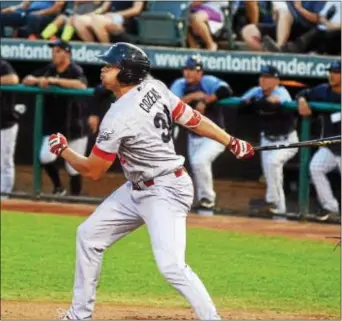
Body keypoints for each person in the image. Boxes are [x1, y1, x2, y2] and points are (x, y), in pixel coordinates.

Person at [47, 42, 255, 320]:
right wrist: (231, 141)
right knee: (88, 236)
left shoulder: (118, 117)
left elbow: (93, 170)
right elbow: (192, 118)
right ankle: (79, 315)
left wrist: (64, 150)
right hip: (137, 188)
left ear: (127, 73)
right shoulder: (155, 86)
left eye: (110, 66)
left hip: (165, 191)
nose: (103, 69)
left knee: (171, 266)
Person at [22, 40, 88, 196]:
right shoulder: (49, 69)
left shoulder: (75, 69)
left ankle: (75, 201)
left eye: (58, 51)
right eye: (53, 51)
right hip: (55, 126)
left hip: (74, 125)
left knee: (74, 167)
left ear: (67, 53)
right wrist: (38, 80)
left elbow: (81, 85)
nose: (54, 54)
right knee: (45, 157)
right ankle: (59, 188)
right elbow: (26, 79)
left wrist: (53, 81)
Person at [170, 56, 233, 213]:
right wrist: (192, 97)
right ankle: (202, 202)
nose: (189, 73)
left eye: (193, 69)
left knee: (199, 162)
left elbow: (226, 90)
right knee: (196, 167)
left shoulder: (208, 81)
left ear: (200, 71)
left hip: (215, 135)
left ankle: (207, 199)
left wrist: (205, 100)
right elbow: (170, 103)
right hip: (194, 137)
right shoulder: (180, 84)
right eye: (186, 69)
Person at [240, 65, 298, 215]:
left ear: (276, 80)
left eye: (267, 77)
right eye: (262, 76)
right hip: (266, 138)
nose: (263, 80)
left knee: (273, 164)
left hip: (287, 140)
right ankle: (279, 209)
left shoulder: (282, 91)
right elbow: (243, 103)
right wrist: (253, 102)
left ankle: (273, 202)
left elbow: (275, 102)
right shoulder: (257, 91)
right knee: (270, 172)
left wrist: (257, 103)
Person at [296, 60, 341, 221]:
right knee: (315, 167)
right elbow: (302, 93)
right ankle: (331, 207)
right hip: (331, 146)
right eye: (331, 72)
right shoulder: (323, 91)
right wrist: (302, 101)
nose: (332, 75)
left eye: (336, 72)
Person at [241, 1, 326, 51]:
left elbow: (318, 19)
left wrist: (301, 9)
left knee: (285, 13)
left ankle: (279, 47)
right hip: (284, 28)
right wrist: (276, 14)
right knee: (248, 31)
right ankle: (270, 53)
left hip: (307, 31)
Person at [263, 1, 341, 55]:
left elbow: (318, 18)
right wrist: (325, 21)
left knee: (318, 32)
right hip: (323, 28)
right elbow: (321, 17)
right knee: (317, 32)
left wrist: (331, 25)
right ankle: (281, 50)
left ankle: (282, 51)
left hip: (335, 32)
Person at [0, 60, 21, 199]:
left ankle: (4, 197)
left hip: (5, 123)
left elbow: (14, 79)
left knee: (5, 161)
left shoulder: (3, 65)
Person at [41, 1, 111, 41]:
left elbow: (97, 2)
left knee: (71, 19)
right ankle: (42, 37)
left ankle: (63, 42)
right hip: (75, 16)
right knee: (61, 18)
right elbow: (75, 6)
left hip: (88, 18)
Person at [0, 0, 65, 39]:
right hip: (28, 12)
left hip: (46, 14)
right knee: (2, 15)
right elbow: (24, 5)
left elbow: (58, 8)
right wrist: (13, 8)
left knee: (32, 17)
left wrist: (39, 13)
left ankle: (34, 39)